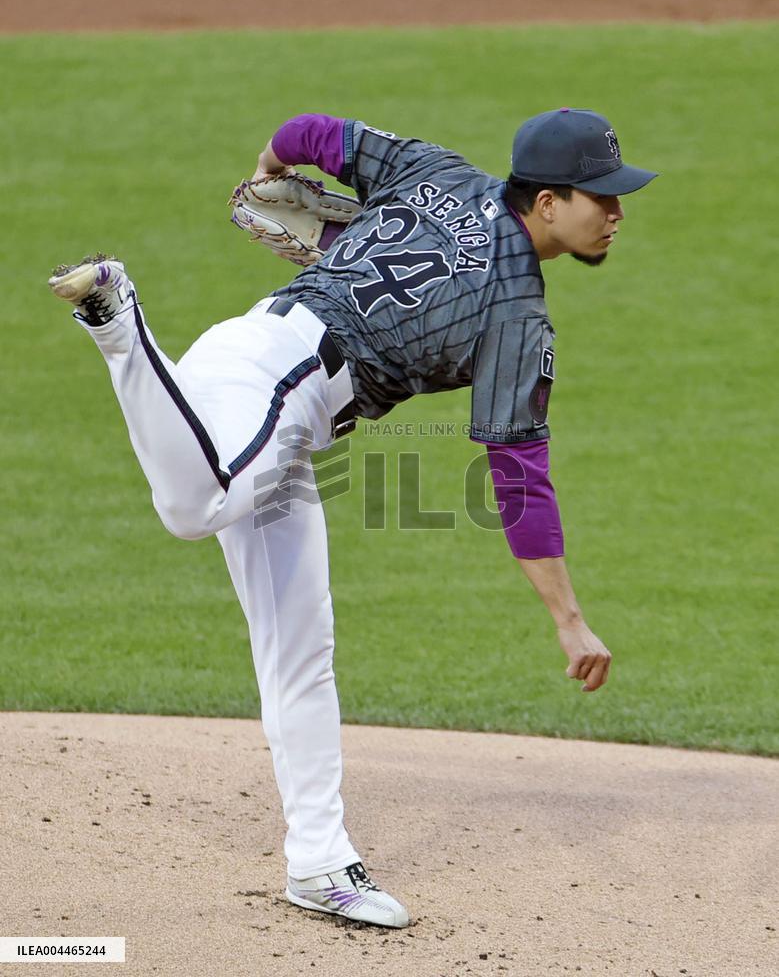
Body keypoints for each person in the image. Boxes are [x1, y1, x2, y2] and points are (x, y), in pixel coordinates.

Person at [48, 107, 656, 929]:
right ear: (547, 203)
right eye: (599, 197)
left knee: (301, 646)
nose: (615, 212)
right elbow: (519, 478)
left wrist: (266, 170)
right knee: (194, 506)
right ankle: (119, 324)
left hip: (268, 386)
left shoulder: (435, 171)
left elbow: (312, 130)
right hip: (276, 380)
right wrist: (571, 622)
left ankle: (319, 863)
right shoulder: (516, 314)